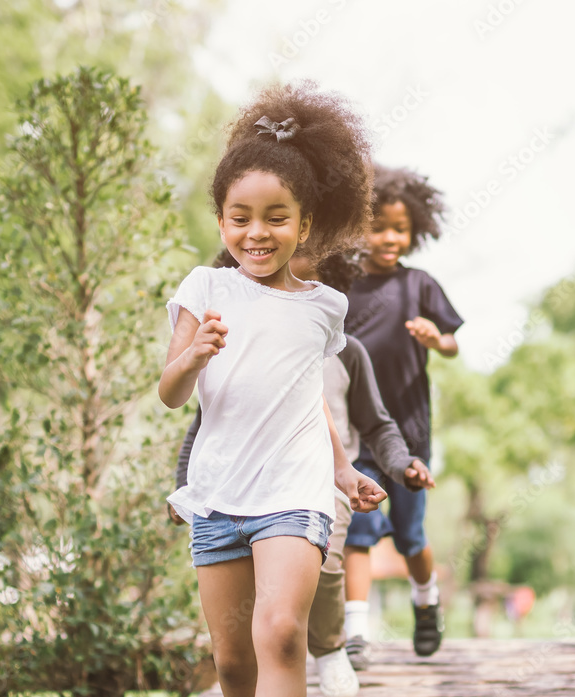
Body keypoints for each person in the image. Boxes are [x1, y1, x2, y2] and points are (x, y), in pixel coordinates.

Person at [158, 81, 387, 697]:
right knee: (233, 663)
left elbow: (306, 395)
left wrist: (341, 471)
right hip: (220, 493)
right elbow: (170, 393)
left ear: (305, 223)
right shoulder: (204, 290)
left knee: (281, 632)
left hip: (294, 492)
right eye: (240, 217)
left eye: (276, 217)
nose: (256, 232)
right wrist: (194, 355)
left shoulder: (324, 307)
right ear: (221, 220)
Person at [169, 249, 435, 697]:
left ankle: (331, 649)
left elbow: (366, 419)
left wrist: (373, 467)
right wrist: (184, 485)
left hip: (307, 486)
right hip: (227, 492)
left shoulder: (336, 331)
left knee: (297, 608)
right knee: (234, 660)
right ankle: (308, 652)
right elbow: (205, 419)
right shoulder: (226, 316)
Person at [342, 165, 464, 669]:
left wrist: (438, 340)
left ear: (414, 231)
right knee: (357, 533)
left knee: (411, 535)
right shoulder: (342, 286)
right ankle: (355, 633)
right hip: (356, 434)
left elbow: (453, 343)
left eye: (399, 228)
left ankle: (426, 601)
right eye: (378, 226)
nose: (389, 237)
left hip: (409, 433)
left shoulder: (420, 285)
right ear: (357, 228)